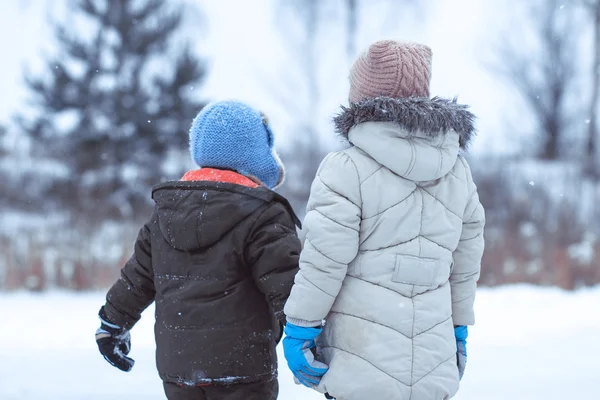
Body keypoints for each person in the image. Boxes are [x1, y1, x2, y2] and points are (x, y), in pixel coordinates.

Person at [282, 40, 485, 400]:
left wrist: (301, 324)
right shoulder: (458, 172)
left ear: (362, 97)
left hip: (359, 366)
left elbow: (325, 259)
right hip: (431, 365)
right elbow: (465, 264)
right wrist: (458, 326)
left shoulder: (345, 168)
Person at [94, 100, 302, 400]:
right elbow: (287, 286)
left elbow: (137, 277)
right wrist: (311, 337)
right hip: (241, 368)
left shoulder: (167, 211)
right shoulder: (263, 214)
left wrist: (111, 323)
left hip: (179, 368)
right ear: (255, 157)